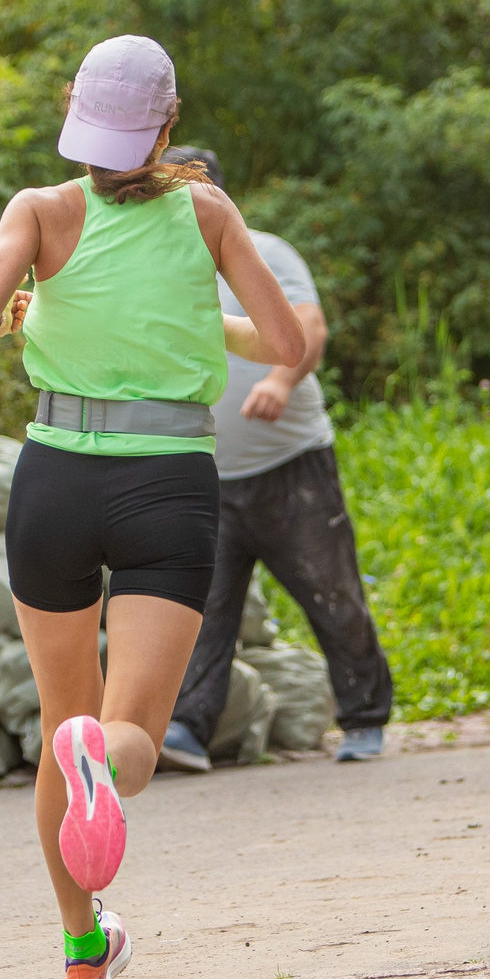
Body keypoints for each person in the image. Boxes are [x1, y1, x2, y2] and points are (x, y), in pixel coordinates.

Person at [0, 36, 306, 979]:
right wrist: (208, 324)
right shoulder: (208, 211)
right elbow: (288, 345)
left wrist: (27, 284)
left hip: (54, 477)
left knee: (61, 721)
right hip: (169, 484)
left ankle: (80, 958)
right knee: (128, 737)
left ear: (76, 114)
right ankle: (100, 761)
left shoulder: (40, 210)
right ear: (167, 122)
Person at [149, 147, 396, 772]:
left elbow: (307, 326)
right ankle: (188, 727)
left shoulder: (263, 250)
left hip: (290, 467)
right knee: (204, 606)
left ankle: (364, 718)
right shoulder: (155, 264)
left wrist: (280, 383)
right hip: (204, 469)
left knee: (330, 593)